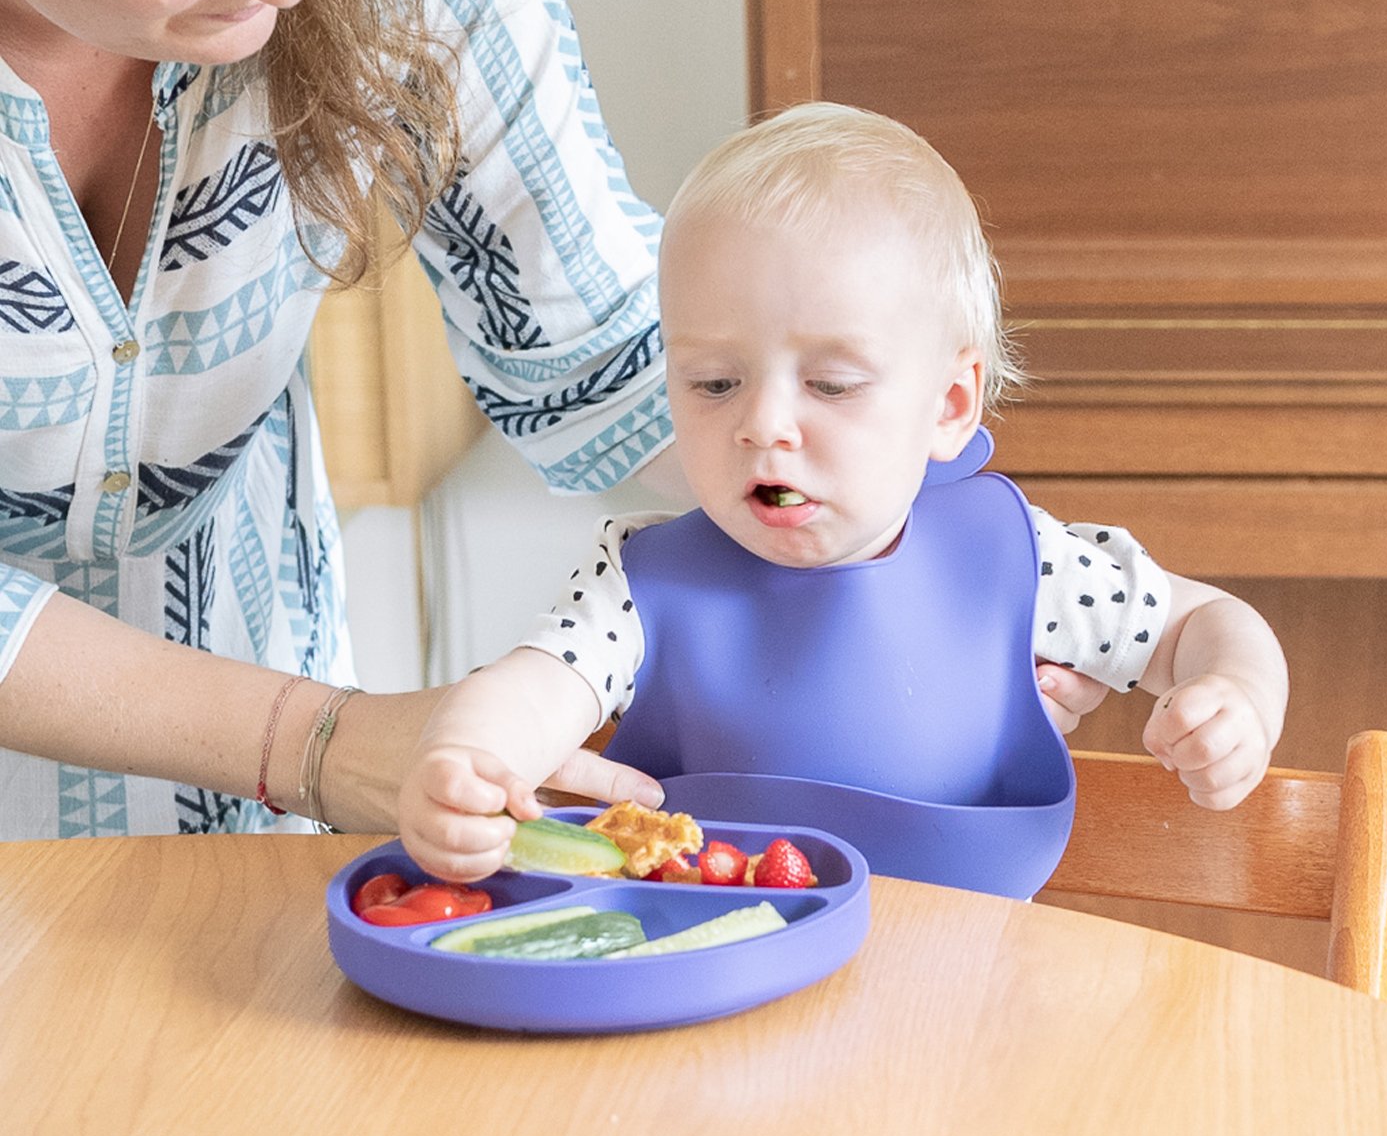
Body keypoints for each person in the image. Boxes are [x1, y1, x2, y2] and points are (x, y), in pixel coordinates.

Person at [0, 0, 684, 838]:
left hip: (235, 750)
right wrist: (313, 742)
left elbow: (601, 345)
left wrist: (948, 550)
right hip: (277, 742)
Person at [399, 103, 1289, 883]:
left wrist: (1237, 696)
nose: (764, 425)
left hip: (957, 1009)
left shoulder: (1019, 561)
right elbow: (531, 689)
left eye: (829, 384)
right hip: (706, 1008)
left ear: (948, 405)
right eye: (713, 383)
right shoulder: (639, 584)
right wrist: (467, 760)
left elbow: (1197, 626)